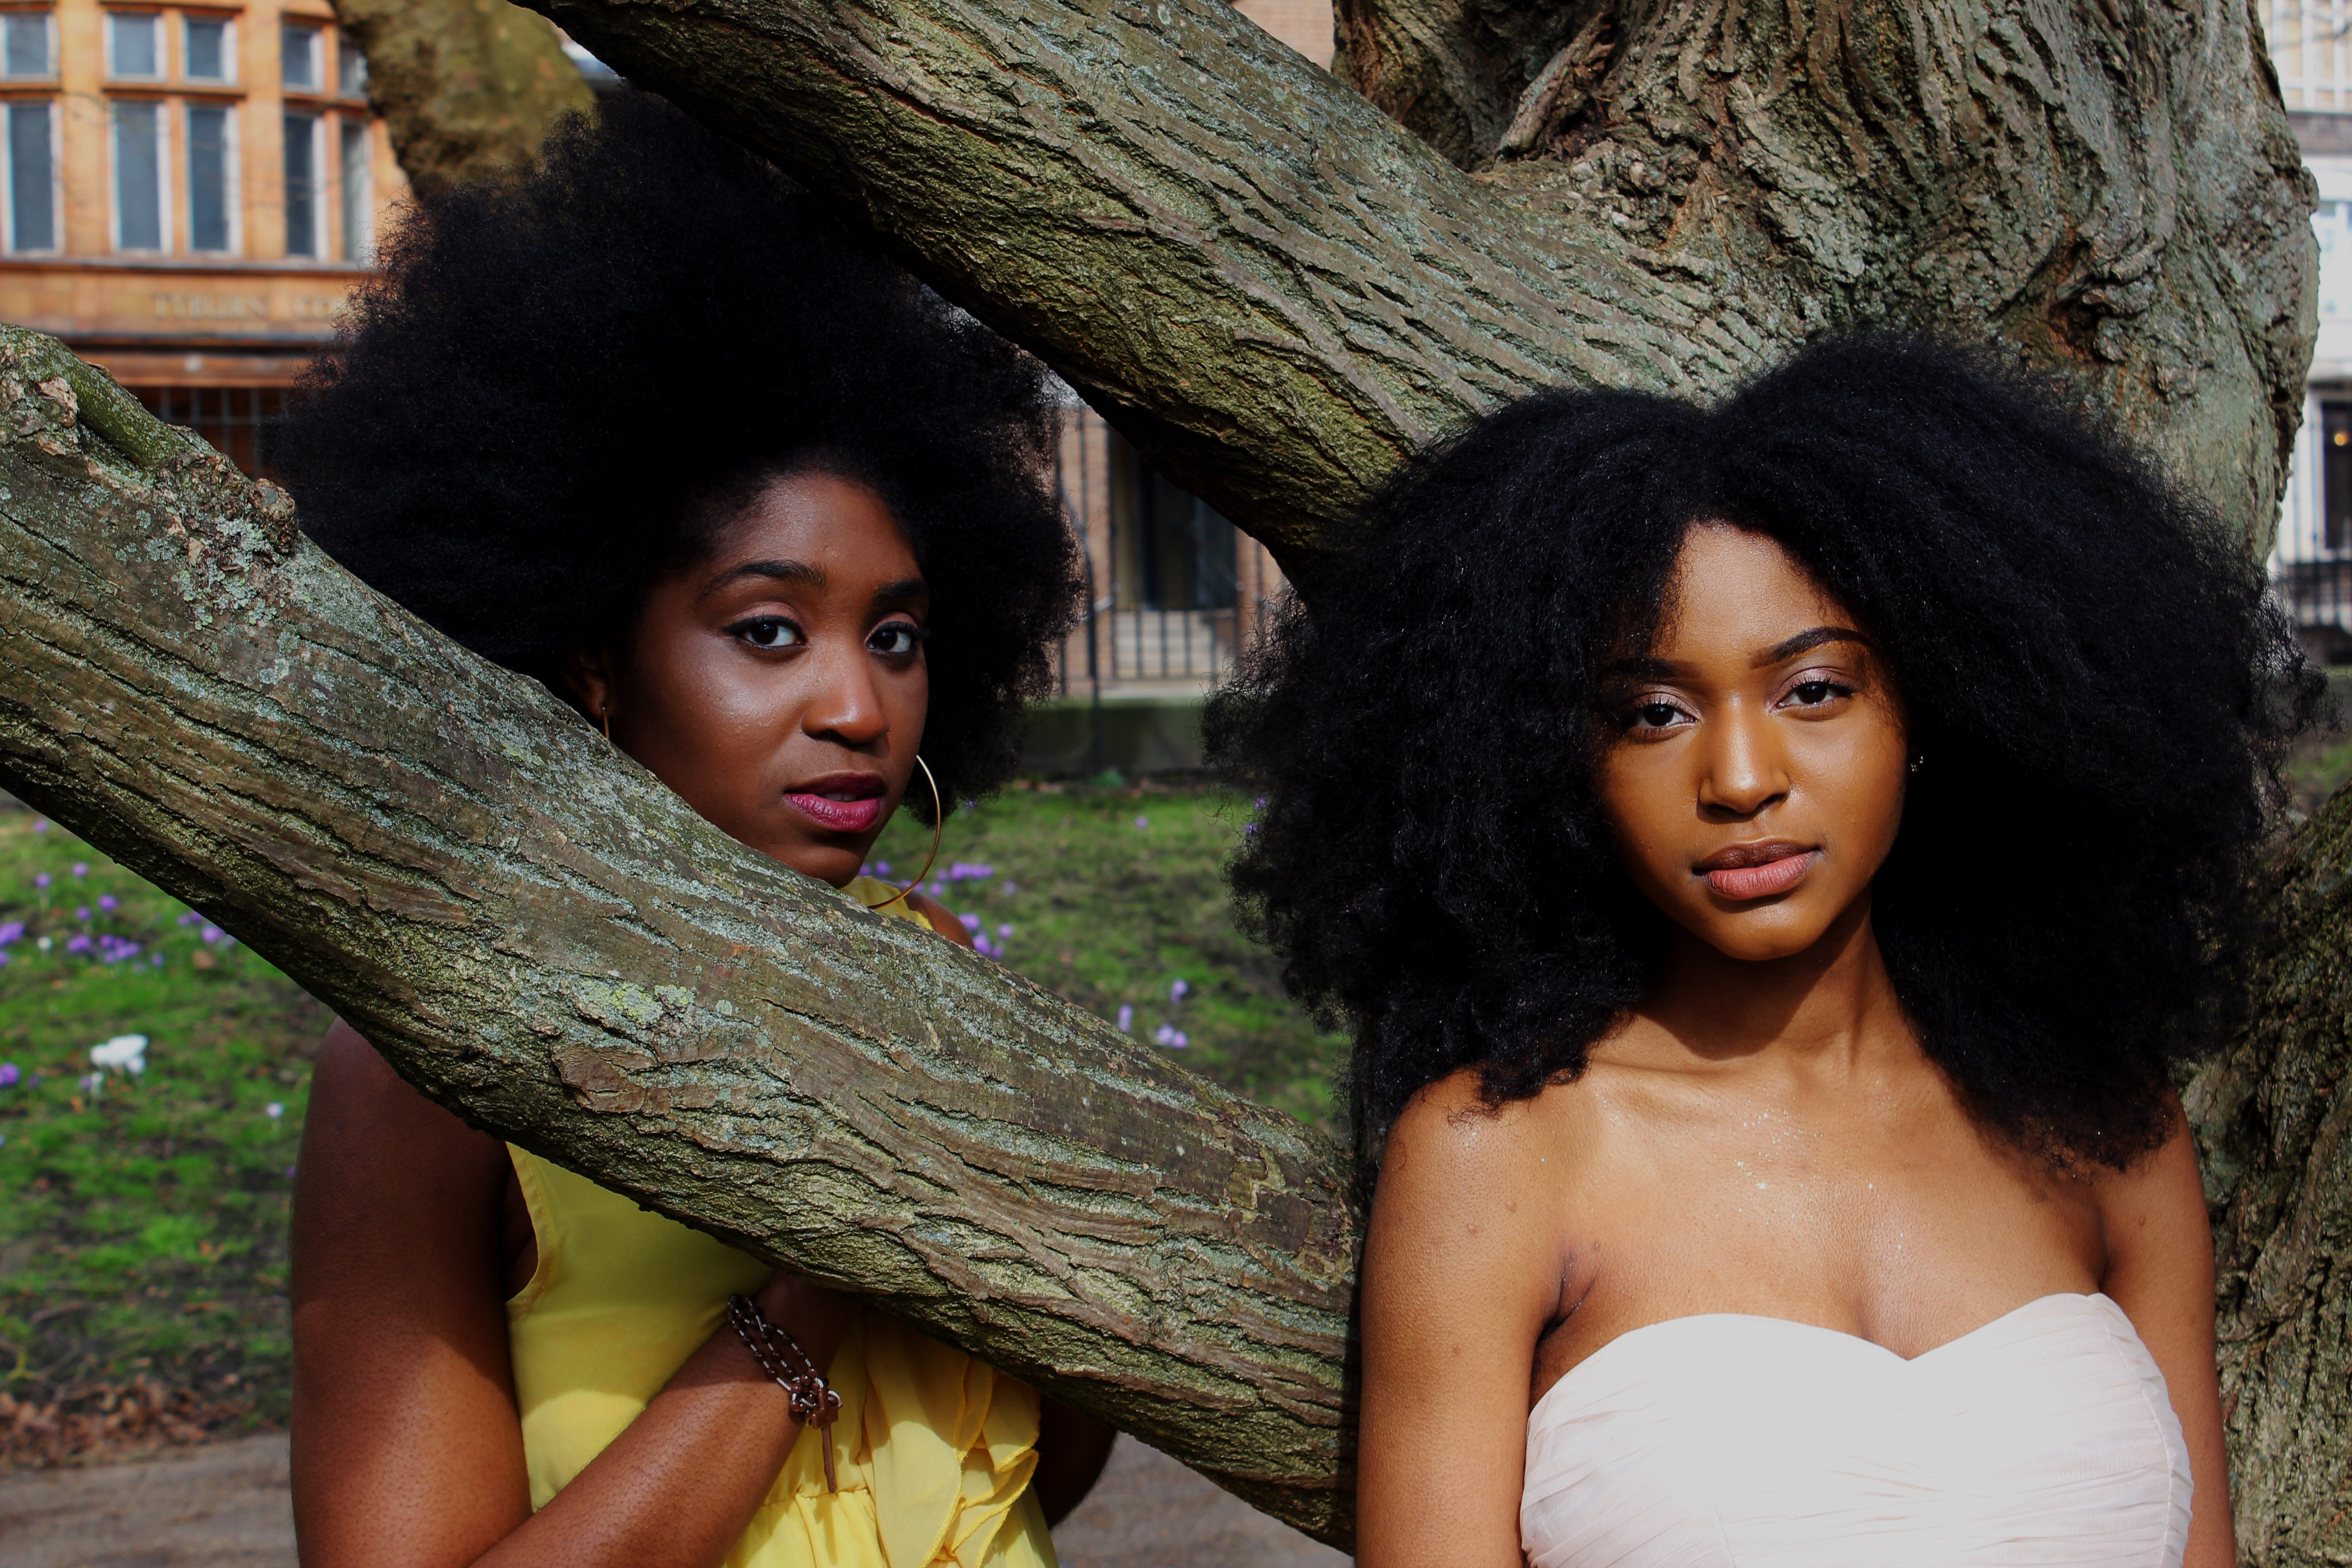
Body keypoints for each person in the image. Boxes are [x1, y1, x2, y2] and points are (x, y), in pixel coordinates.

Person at [1208, 335, 2319, 1568]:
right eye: (1654, 713)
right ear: (1554, 762)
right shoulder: (1501, 1158)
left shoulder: (2105, 1128)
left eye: (1814, 691)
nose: (1740, 779)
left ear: (1935, 706)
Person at [276, 93, 1113, 1568]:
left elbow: (1042, 1462)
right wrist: (816, 1288)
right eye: (769, 630)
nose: (858, 705)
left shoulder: (932, 966)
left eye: (898, 636)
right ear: (596, 661)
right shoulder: (428, 1071)